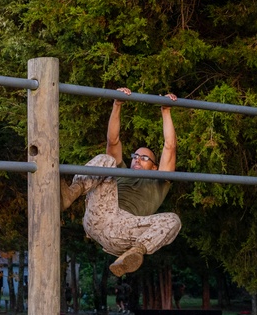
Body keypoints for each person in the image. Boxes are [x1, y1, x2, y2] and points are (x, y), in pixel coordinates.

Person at [60, 88, 181, 277]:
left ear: (155, 167)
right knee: (107, 160)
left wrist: (166, 110)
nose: (137, 159)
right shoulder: (121, 172)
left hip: (126, 231)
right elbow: (113, 140)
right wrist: (117, 104)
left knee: (173, 220)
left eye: (144, 158)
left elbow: (170, 146)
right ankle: (71, 193)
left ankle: (134, 254)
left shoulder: (160, 181)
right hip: (102, 215)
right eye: (135, 156)